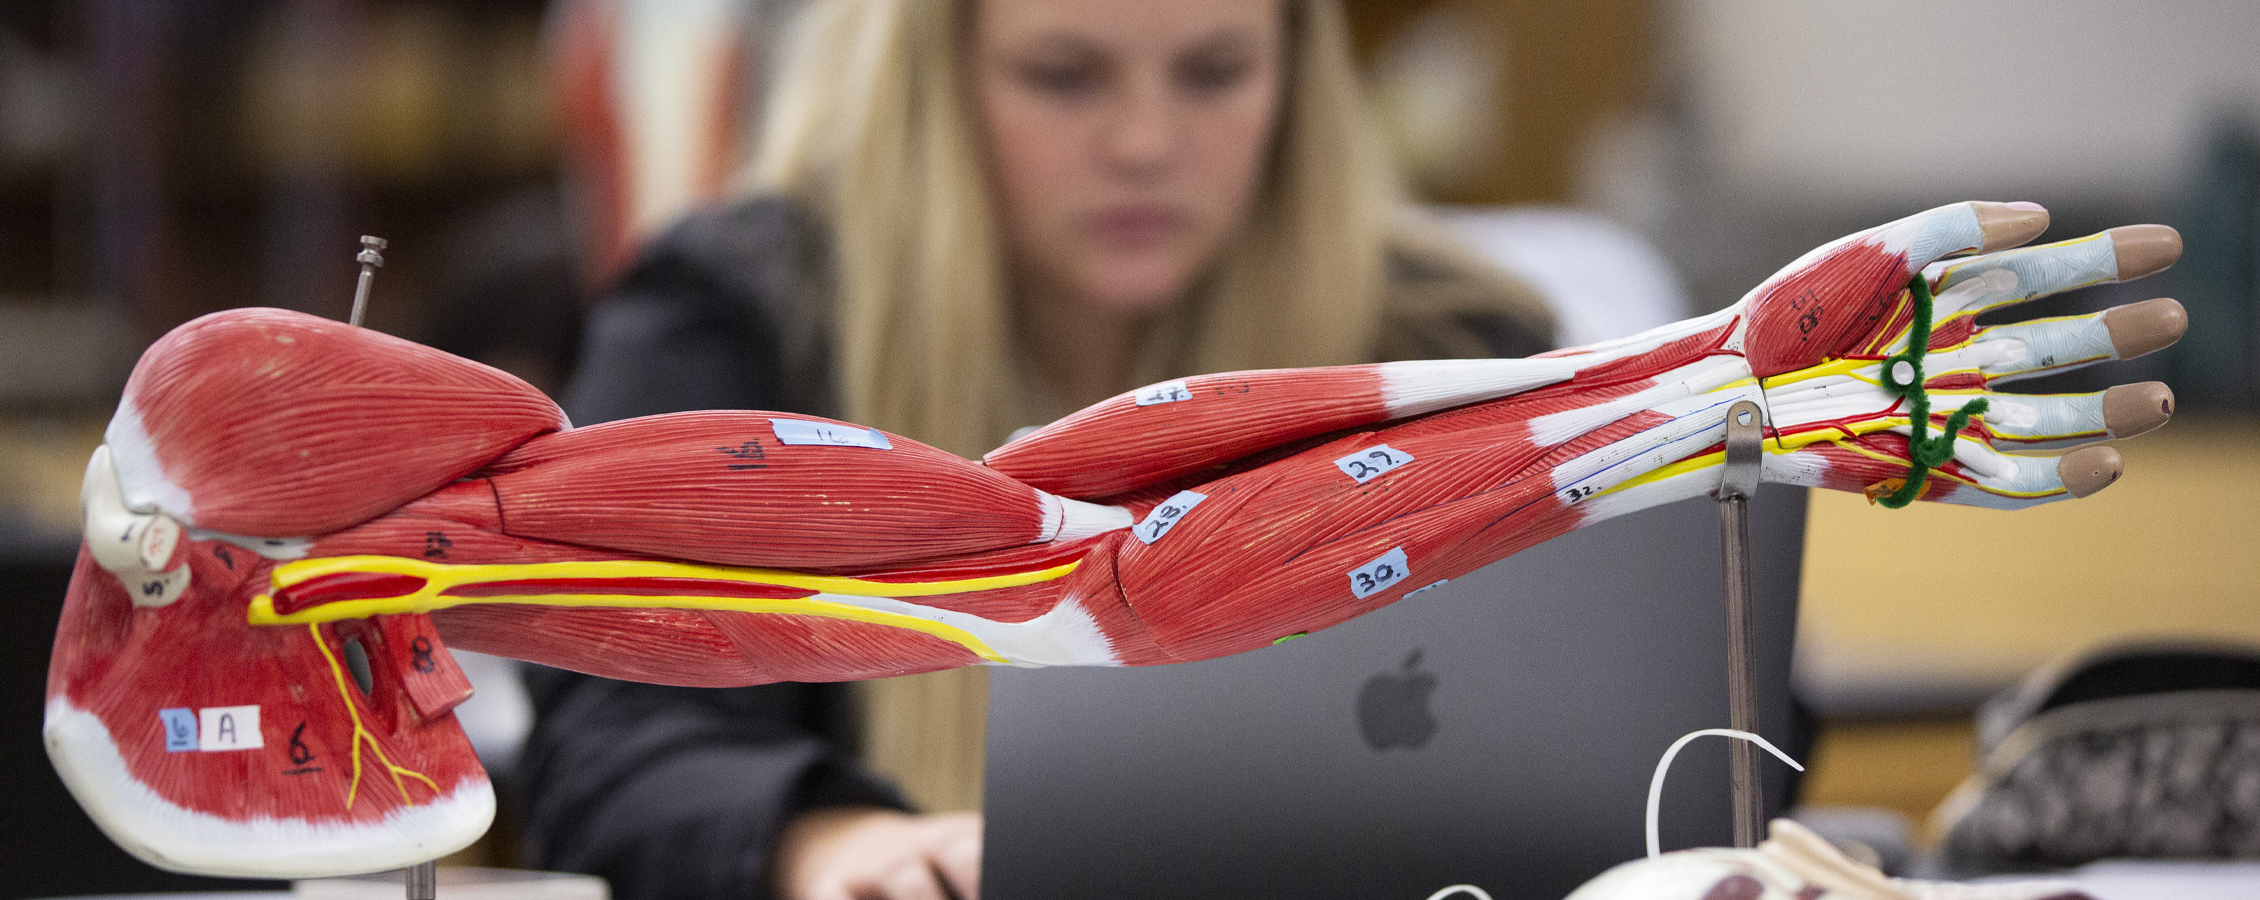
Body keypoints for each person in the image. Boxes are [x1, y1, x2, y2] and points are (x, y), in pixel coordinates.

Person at [519, 1, 1553, 898]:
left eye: (1214, 72)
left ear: (1297, 77)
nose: (1145, 141)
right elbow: (608, 734)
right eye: (1063, 77)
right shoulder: (733, 317)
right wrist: (822, 838)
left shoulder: (1454, 346)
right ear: (938, 75)